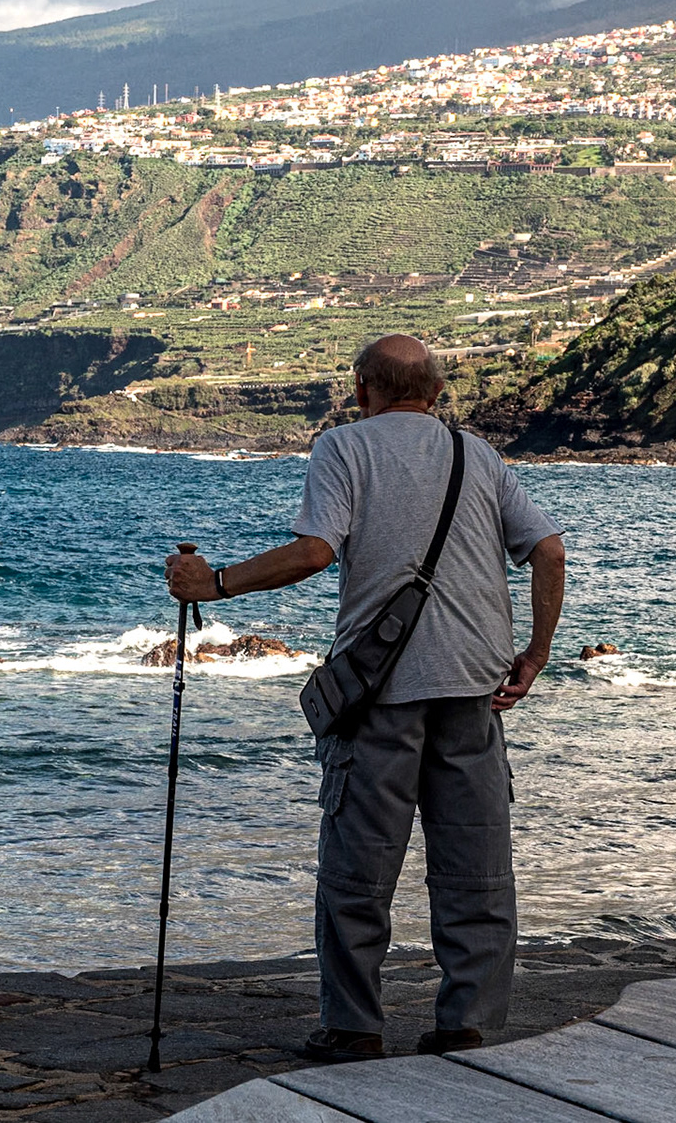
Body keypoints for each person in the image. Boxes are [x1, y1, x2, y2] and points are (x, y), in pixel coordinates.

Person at [165, 334, 565, 1061]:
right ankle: (465, 1026)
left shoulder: (343, 448)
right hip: (474, 689)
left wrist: (215, 582)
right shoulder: (478, 455)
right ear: (438, 392)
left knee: (358, 873)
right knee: (475, 872)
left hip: (380, 692)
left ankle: (352, 1027)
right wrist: (534, 656)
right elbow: (550, 551)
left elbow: (317, 552)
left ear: (361, 390)